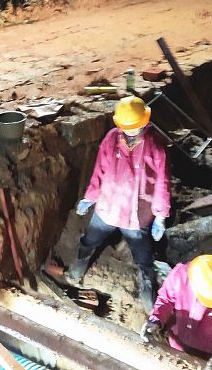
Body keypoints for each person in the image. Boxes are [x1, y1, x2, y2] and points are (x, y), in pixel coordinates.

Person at [68, 96, 171, 311]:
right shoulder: (111, 139)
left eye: (136, 127)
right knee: (90, 239)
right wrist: (91, 195)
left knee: (144, 257)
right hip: (109, 206)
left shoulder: (155, 147)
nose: (131, 131)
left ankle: (147, 294)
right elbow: (100, 169)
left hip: (137, 214)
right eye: (127, 127)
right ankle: (77, 269)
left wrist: (160, 215)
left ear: (145, 121)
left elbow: (162, 182)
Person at [140, 255, 212, 358]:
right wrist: (155, 320)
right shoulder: (182, 275)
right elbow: (166, 299)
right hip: (177, 342)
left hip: (205, 355)